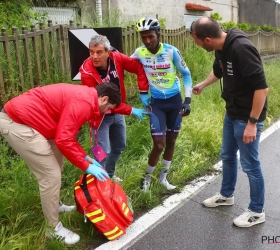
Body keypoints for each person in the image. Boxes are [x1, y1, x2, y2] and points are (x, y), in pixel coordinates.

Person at [0, 82, 121, 244]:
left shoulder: (88, 99)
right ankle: (53, 228)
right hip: (17, 122)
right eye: (108, 108)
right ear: (104, 99)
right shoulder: (85, 103)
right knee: (51, 175)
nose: (107, 112)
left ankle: (55, 205)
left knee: (57, 160)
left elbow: (66, 136)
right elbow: (63, 139)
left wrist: (87, 158)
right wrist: (86, 166)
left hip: (34, 122)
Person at [190, 17, 269, 227]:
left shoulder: (242, 48)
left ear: (207, 39)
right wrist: (203, 84)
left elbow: (262, 88)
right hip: (232, 111)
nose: (197, 45)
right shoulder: (221, 47)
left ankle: (256, 211)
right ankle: (226, 195)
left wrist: (252, 122)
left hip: (247, 116)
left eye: (196, 41)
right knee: (227, 155)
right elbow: (219, 70)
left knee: (250, 165)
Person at [132, 16, 193, 192]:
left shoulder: (171, 51)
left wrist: (187, 101)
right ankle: (147, 179)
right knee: (159, 144)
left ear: (158, 34)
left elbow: (186, 74)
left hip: (175, 102)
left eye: (150, 36)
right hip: (156, 104)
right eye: (143, 37)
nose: (147, 41)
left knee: (171, 141)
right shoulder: (139, 52)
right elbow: (125, 63)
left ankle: (163, 178)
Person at [80, 34, 149, 180]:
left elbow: (139, 68)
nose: (95, 56)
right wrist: (130, 110)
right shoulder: (86, 73)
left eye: (99, 52)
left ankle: (109, 174)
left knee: (119, 146)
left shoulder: (117, 58)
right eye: (91, 52)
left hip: (118, 114)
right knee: (101, 151)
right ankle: (100, 182)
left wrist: (143, 91)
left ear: (108, 52)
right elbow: (99, 103)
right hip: (99, 116)